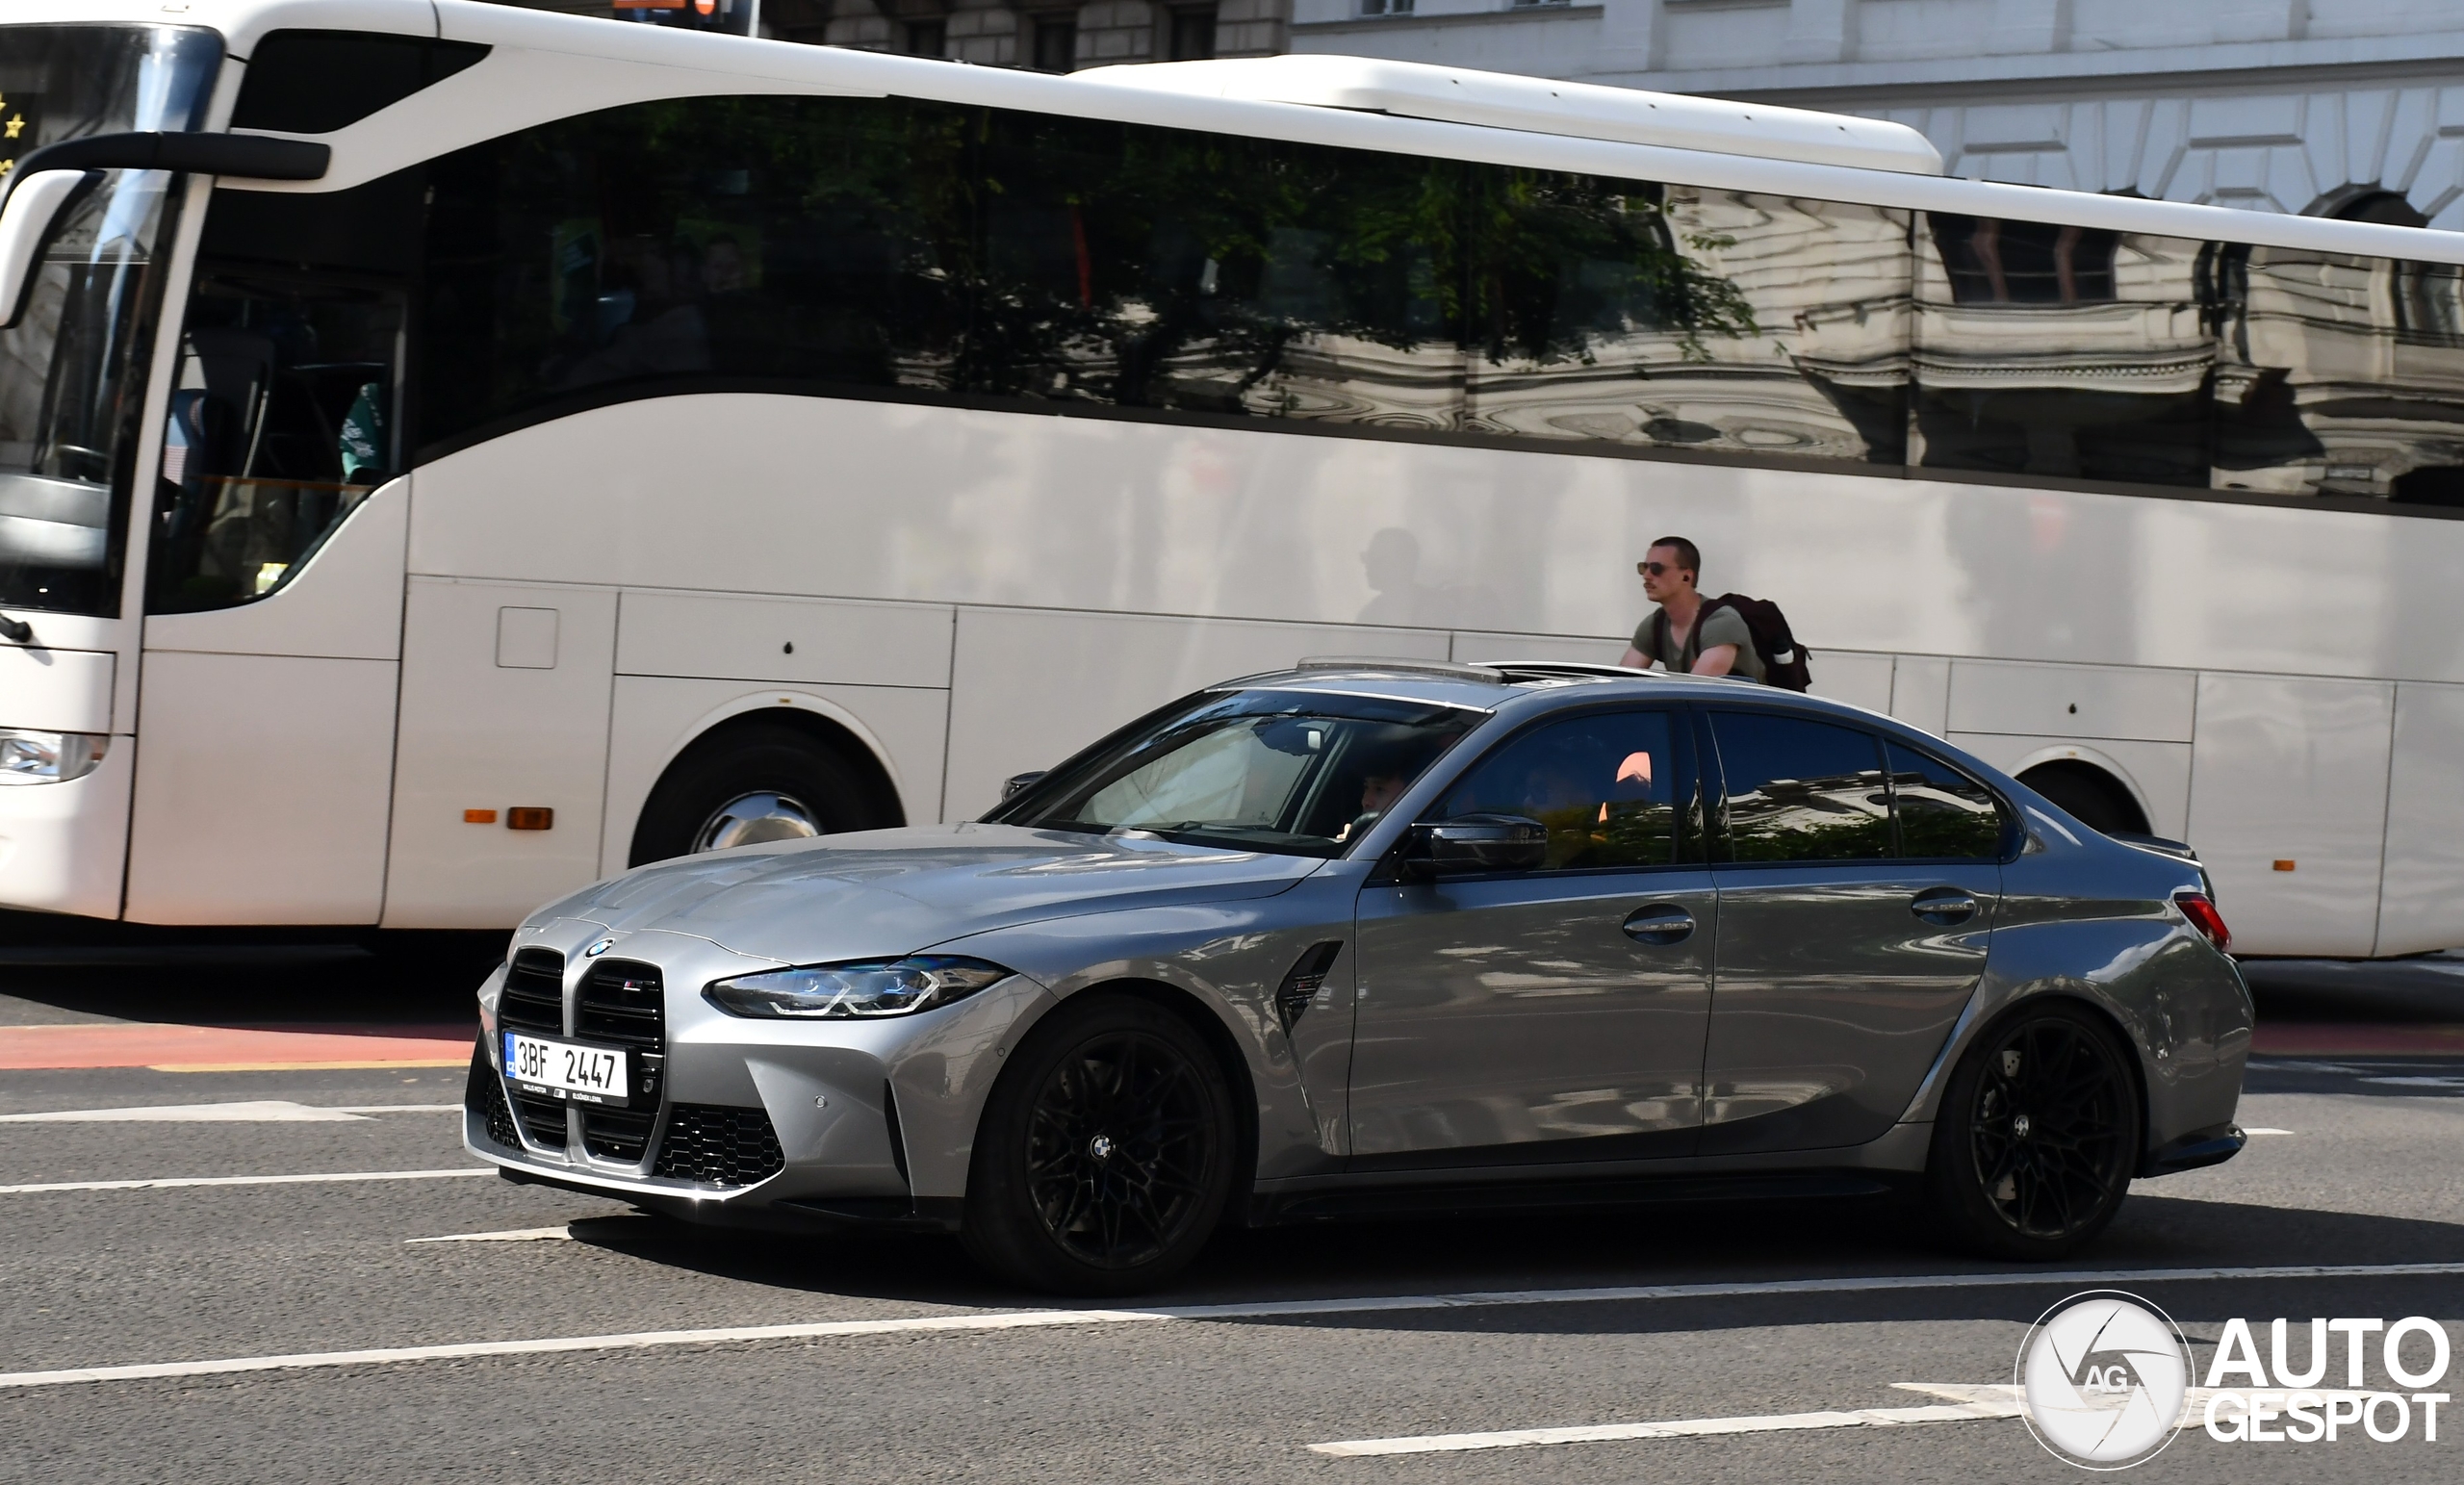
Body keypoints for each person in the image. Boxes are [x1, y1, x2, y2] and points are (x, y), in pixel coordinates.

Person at [1618, 535, 1767, 682]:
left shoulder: (1721, 623)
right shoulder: (1654, 624)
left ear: (1686, 577)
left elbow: (1696, 690)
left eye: (1656, 568)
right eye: (1643, 567)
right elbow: (1621, 683)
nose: (1646, 575)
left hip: (1743, 706)